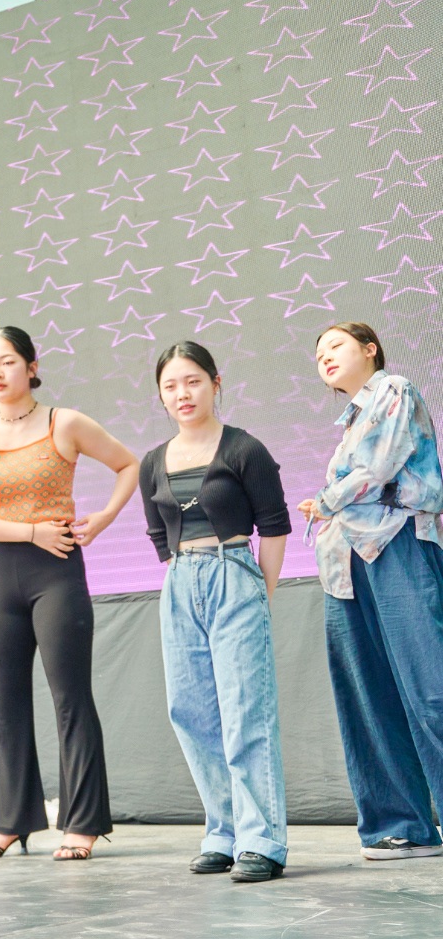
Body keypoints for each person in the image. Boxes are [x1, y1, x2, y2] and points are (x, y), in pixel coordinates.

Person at [0, 326, 138, 861]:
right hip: (3, 574)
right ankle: (11, 822)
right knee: (5, 701)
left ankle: (83, 824)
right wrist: (31, 531)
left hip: (57, 571)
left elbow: (128, 464)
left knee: (70, 697)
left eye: (8, 362)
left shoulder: (66, 422)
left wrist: (103, 517)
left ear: (32, 367)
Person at [140, 342, 291, 883]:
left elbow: (274, 527)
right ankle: (223, 833)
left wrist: (256, 592)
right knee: (191, 711)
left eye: (193, 381)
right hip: (180, 582)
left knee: (246, 708)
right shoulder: (152, 462)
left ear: (215, 383)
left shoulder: (244, 448)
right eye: (171, 386)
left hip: (235, 572)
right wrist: (186, 577)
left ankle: (262, 840)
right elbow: (159, 535)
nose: (183, 394)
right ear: (161, 396)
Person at [299, 322, 443, 861]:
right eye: (318, 353)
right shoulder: (350, 421)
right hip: (345, 564)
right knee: (368, 698)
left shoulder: (394, 389)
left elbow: (378, 467)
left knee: (430, 687)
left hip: (398, 543)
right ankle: (402, 825)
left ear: (370, 348)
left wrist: (326, 500)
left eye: (335, 344)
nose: (325, 356)